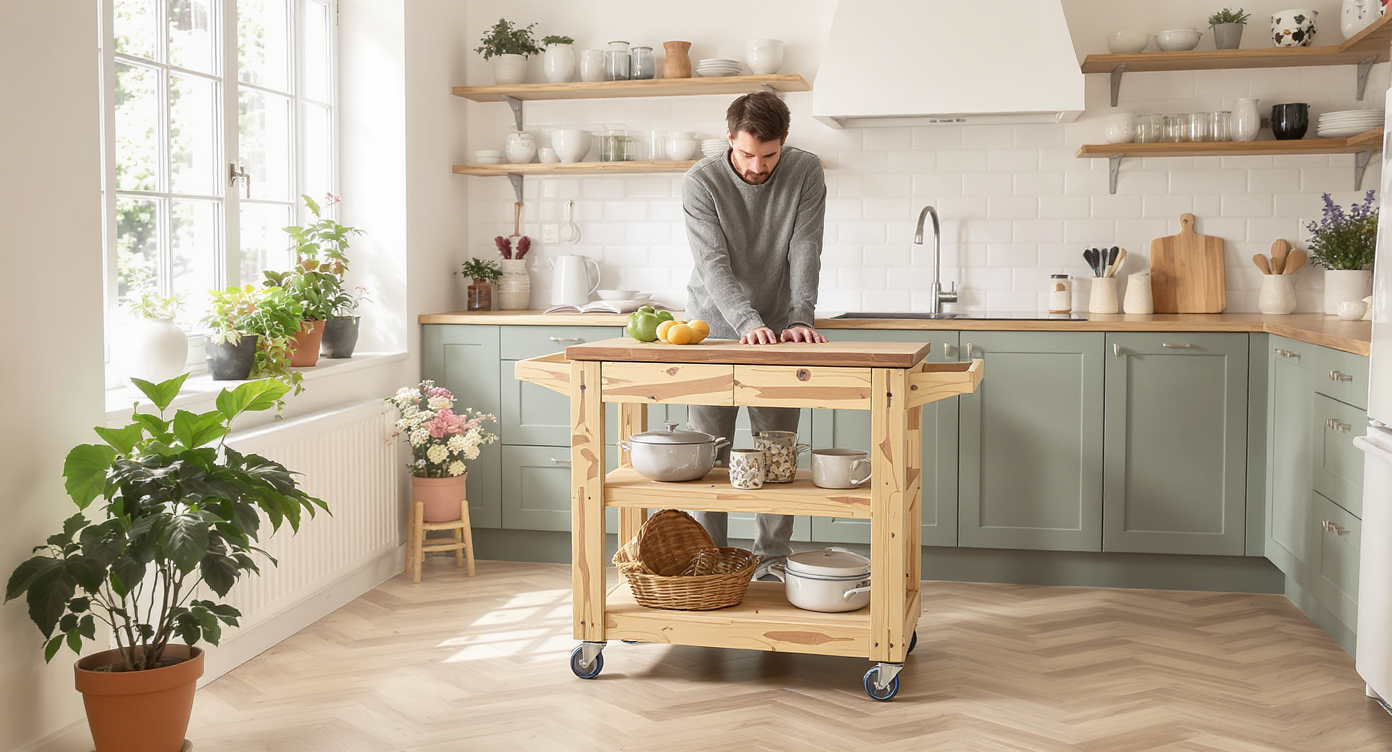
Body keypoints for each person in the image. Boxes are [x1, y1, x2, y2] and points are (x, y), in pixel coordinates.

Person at [682, 91, 827, 578]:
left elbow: (805, 247)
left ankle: (772, 560)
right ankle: (709, 560)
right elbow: (713, 264)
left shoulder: (805, 170)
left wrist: (801, 317)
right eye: (747, 154)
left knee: (777, 452)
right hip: (715, 329)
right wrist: (747, 323)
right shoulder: (700, 182)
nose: (757, 166)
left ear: (784, 143)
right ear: (729, 139)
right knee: (708, 455)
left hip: (784, 332)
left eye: (769, 155)